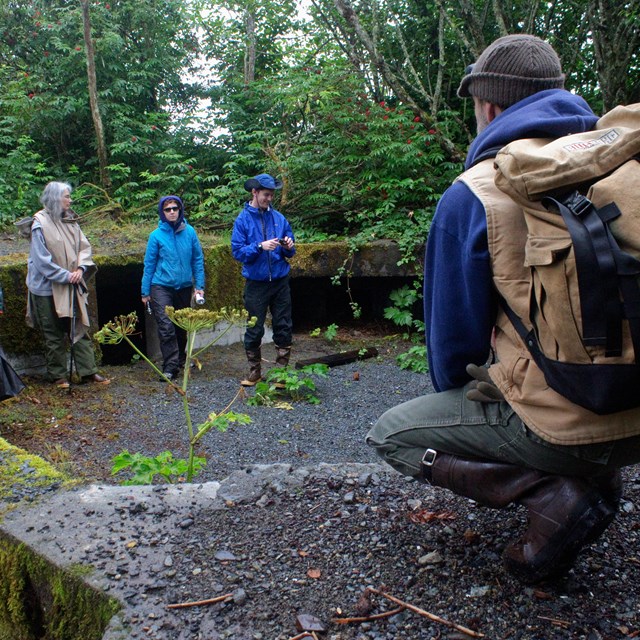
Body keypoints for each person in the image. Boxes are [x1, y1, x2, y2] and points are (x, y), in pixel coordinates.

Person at [366, 34, 640, 584]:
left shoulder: (473, 194)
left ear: (488, 107)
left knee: (393, 434)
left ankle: (558, 490)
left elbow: (452, 352)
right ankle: (591, 470)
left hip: (568, 426)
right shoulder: (624, 167)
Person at [26, 181, 110, 389]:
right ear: (55, 198)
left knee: (78, 327)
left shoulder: (71, 221)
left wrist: (81, 269)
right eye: (66, 196)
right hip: (46, 288)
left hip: (71, 284)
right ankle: (58, 376)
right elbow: (41, 261)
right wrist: (65, 275)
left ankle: (88, 371)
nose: (70, 200)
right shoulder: (39, 223)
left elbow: (84, 247)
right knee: (52, 332)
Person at [231, 173, 295, 386]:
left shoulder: (279, 218)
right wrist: (259, 247)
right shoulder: (242, 220)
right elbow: (238, 252)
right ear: (254, 192)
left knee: (283, 324)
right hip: (256, 283)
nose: (269, 199)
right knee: (254, 327)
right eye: (266, 194)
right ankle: (254, 372)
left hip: (280, 280)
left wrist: (288, 246)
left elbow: (291, 251)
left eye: (272, 195)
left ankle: (281, 374)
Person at [141, 195, 205, 380]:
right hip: (161, 286)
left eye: (174, 208)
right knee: (166, 325)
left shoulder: (190, 232)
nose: (171, 212)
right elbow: (149, 264)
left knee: (181, 325)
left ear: (180, 210)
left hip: (184, 286)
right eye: (167, 209)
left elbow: (197, 260)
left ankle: (181, 359)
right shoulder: (156, 236)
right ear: (162, 212)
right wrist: (145, 292)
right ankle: (170, 367)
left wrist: (199, 285)